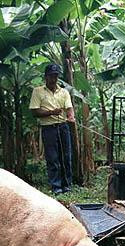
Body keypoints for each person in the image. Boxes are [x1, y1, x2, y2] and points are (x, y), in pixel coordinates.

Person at [29, 63, 75, 194]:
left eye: (55, 76)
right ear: (46, 77)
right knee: (52, 157)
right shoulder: (37, 91)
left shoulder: (64, 92)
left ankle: (67, 185)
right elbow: (35, 112)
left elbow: (69, 108)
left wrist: (71, 116)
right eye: (51, 76)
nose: (53, 79)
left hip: (63, 127)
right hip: (48, 128)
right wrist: (51, 112)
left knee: (66, 156)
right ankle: (56, 186)